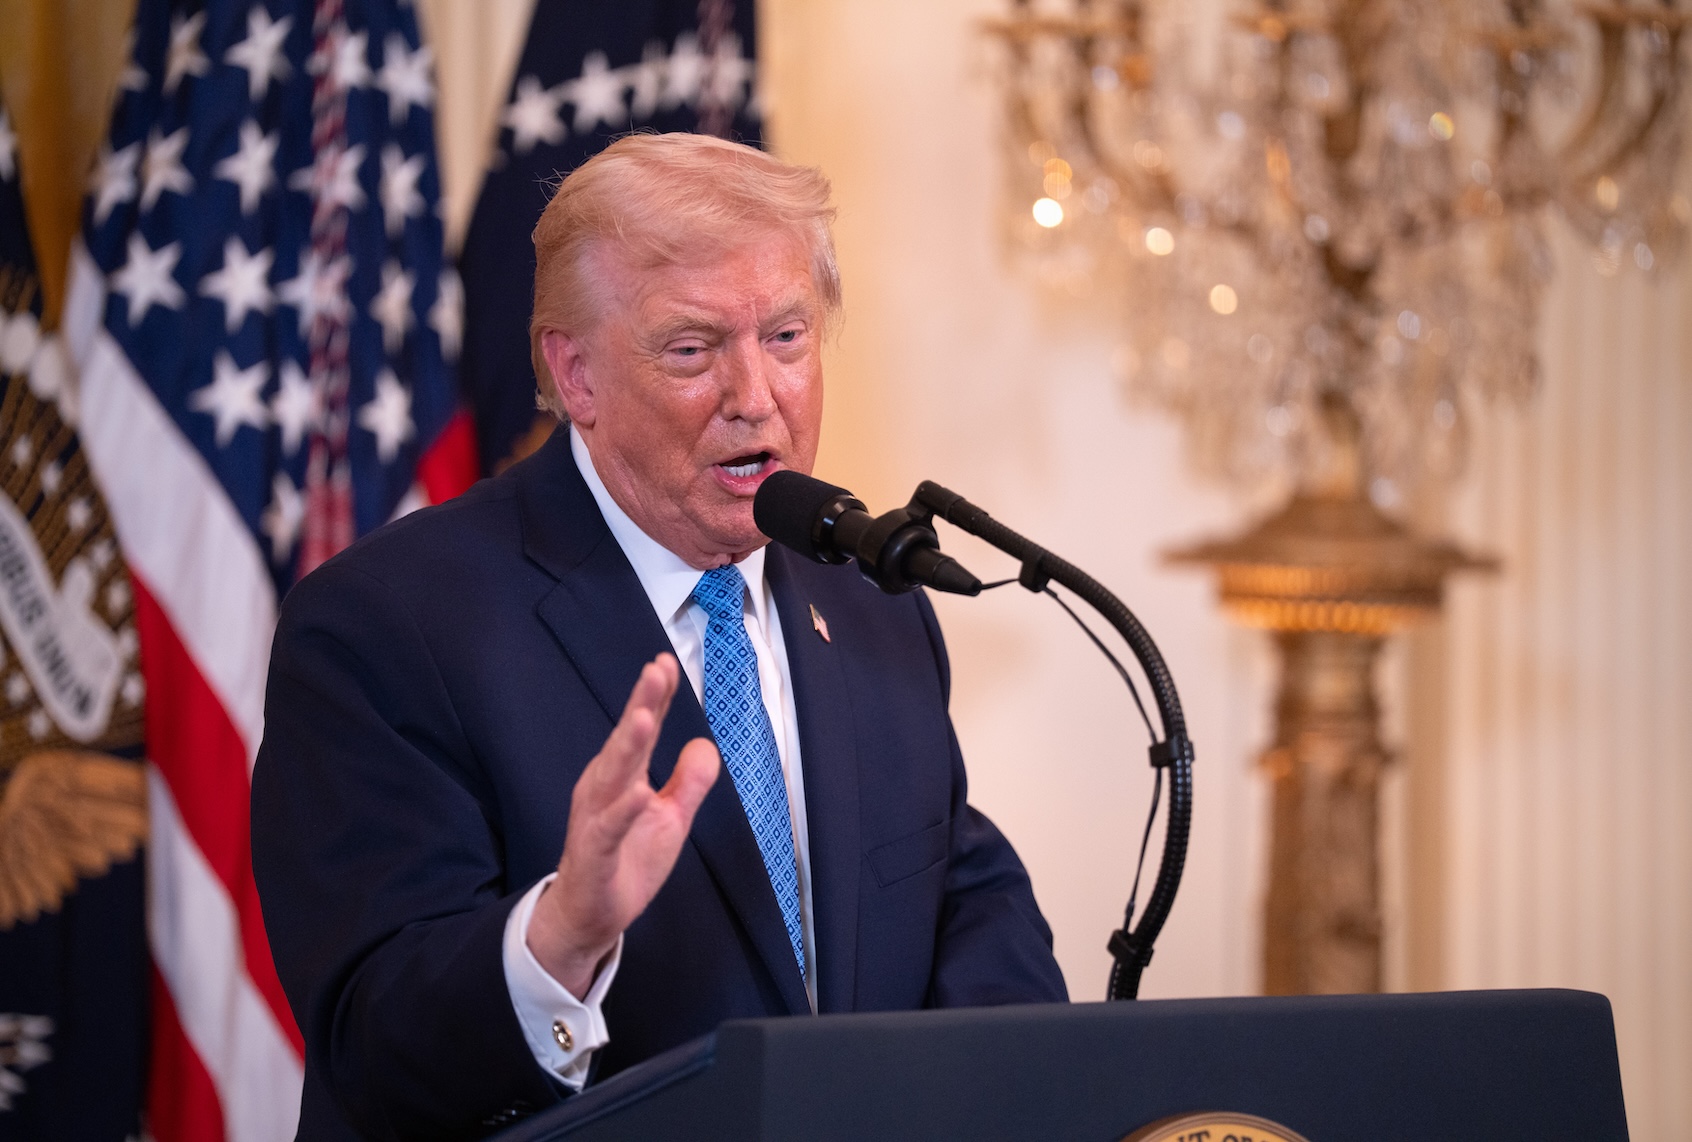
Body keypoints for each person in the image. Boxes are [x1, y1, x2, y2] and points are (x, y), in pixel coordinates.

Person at [251, 133, 1066, 1141]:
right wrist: (558, 941)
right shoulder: (389, 623)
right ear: (577, 375)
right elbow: (371, 1044)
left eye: (786, 336)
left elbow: (955, 893)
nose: (755, 395)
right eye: (692, 348)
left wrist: (1027, 1095)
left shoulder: (866, 595)